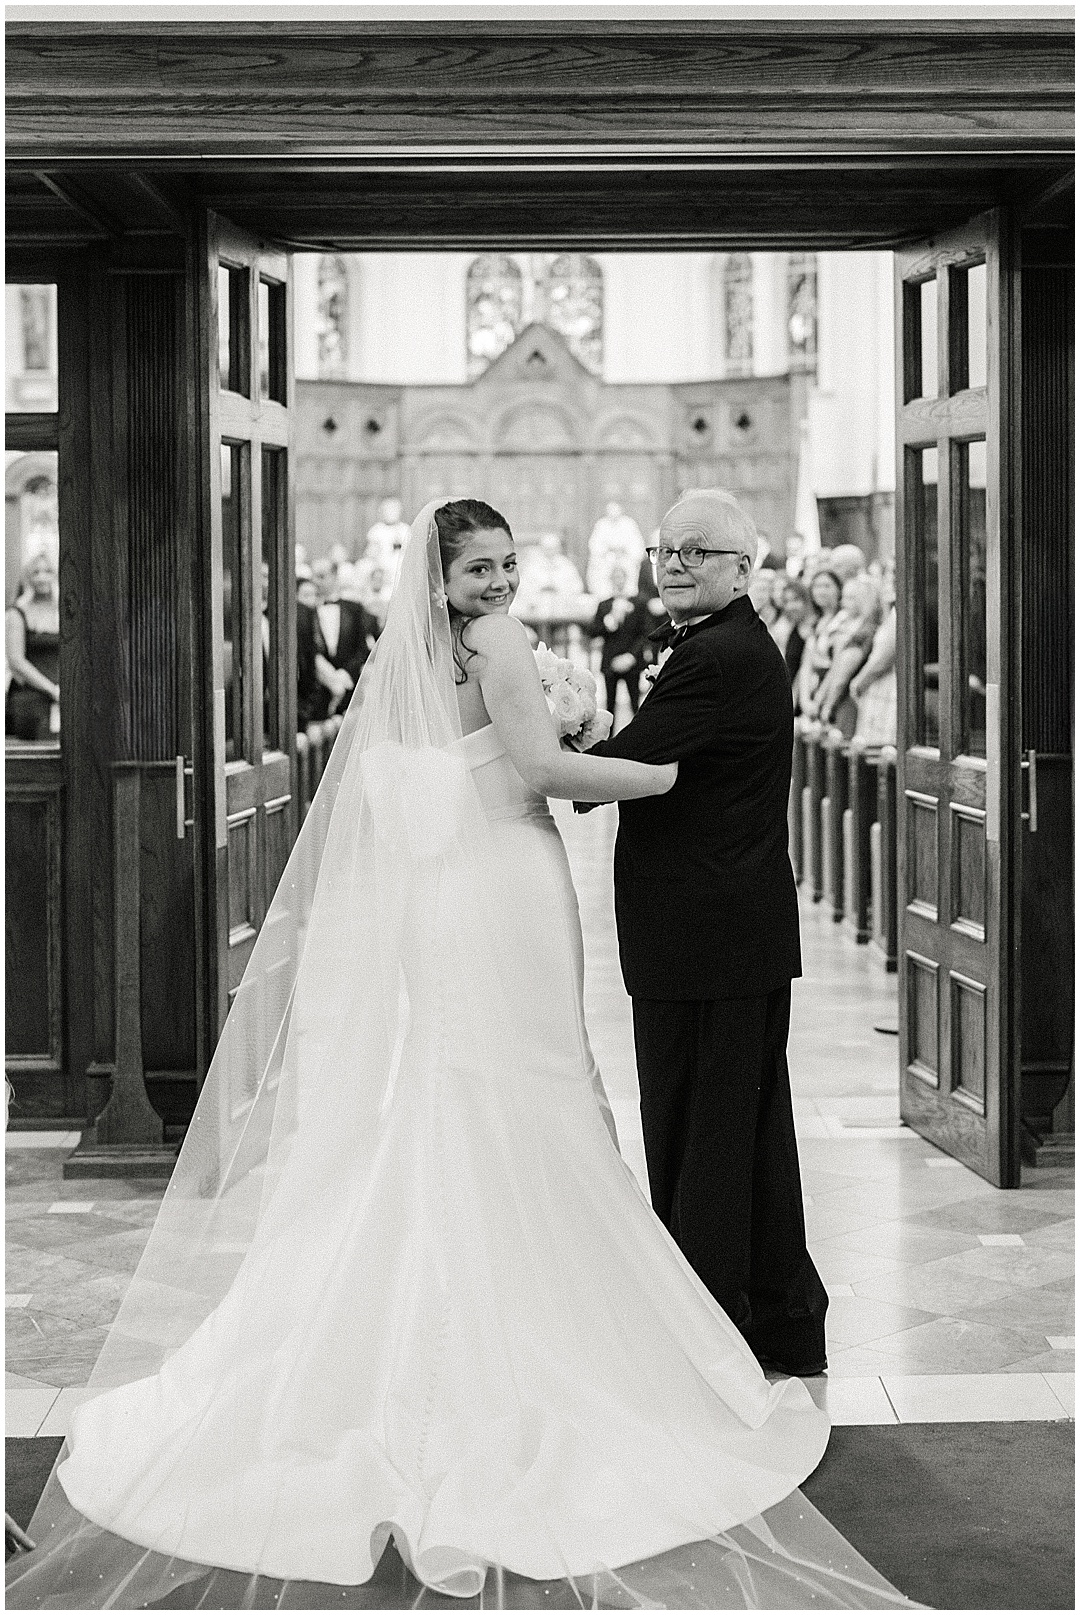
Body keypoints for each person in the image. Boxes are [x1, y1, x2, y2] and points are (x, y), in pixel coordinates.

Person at [6, 498, 910, 1613]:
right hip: (504, 893)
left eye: (508, 563)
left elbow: (428, 776)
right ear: (435, 577)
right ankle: (567, 1334)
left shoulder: (422, 657)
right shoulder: (506, 645)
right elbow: (537, 767)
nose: (499, 580)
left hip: (455, 897)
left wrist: (596, 746)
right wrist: (645, 770)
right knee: (522, 1095)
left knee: (454, 1092)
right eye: (478, 566)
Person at [578, 488, 829, 1378]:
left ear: (742, 567)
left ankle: (705, 1331)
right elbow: (664, 751)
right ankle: (774, 1318)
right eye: (666, 549)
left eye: (697, 550)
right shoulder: (730, 646)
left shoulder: (713, 656)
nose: (675, 562)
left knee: (700, 1133)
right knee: (742, 1130)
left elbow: (631, 768)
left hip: (704, 936)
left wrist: (552, 746)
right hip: (732, 930)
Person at [812, 575, 882, 740]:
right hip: (840, 696)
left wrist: (828, 704)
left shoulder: (864, 631)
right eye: (844, 597)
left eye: (851, 598)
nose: (844, 602)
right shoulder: (848, 624)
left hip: (846, 701)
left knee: (841, 743)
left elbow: (842, 673)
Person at [312, 555, 381, 714]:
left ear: (334, 576)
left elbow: (363, 647)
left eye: (322, 576)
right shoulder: (307, 611)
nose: (316, 582)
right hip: (318, 691)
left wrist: (346, 673)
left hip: (351, 686)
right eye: (314, 577)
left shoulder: (354, 609)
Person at [5, 551, 60, 741]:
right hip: (30, 698)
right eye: (36, 572)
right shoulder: (16, 613)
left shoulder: (65, 610)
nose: (42, 577)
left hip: (65, 697)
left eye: (47, 571)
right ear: (28, 577)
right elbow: (16, 662)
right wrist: (53, 690)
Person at [585, 561, 651, 718]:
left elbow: (645, 633)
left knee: (636, 705)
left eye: (621, 577)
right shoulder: (604, 605)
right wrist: (608, 623)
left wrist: (631, 656)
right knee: (609, 706)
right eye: (615, 577)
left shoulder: (638, 603)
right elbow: (593, 632)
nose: (618, 580)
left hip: (631, 661)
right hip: (610, 661)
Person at [850, 572, 897, 747]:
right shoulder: (889, 613)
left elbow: (884, 659)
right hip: (878, 686)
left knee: (880, 746)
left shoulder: (897, 614)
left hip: (887, 685)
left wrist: (859, 681)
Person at [795, 568, 844, 719]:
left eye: (827, 586)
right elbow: (806, 664)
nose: (821, 591)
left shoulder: (842, 621)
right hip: (811, 691)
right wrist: (804, 699)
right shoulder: (816, 623)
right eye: (817, 586)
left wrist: (818, 700)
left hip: (832, 697)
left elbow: (837, 665)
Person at [585, 500, 645, 596]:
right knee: (599, 569)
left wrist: (623, 551)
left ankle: (628, 596)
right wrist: (609, 551)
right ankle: (605, 598)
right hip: (607, 558)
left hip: (626, 557)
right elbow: (595, 546)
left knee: (630, 569)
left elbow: (637, 545)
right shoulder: (601, 524)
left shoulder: (629, 523)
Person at [771, 577, 816, 689]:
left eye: (796, 600)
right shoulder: (792, 629)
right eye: (787, 602)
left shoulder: (816, 628)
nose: (791, 606)